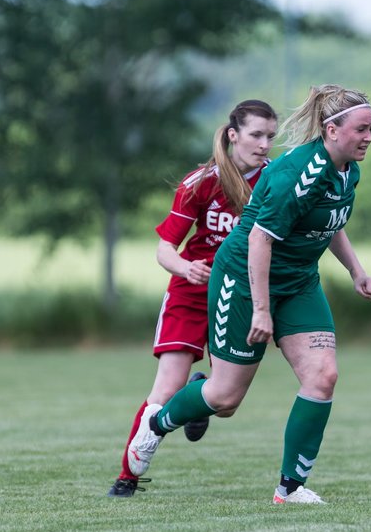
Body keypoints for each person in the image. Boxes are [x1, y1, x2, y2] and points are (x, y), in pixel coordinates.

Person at [125, 84, 371, 505]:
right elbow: (260, 240)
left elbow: (329, 224)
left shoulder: (348, 170)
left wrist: (357, 271)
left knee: (323, 376)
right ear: (332, 130)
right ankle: (156, 424)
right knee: (224, 397)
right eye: (362, 129)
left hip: (298, 281)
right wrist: (262, 310)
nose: (369, 137)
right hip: (243, 279)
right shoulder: (298, 173)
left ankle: (289, 488)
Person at [107, 99, 279, 498]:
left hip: (237, 294)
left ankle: (199, 390)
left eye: (270, 136)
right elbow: (165, 248)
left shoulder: (274, 180)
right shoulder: (201, 181)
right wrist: (186, 269)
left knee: (226, 404)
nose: (264, 144)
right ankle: (128, 477)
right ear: (233, 134)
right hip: (190, 291)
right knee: (166, 388)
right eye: (256, 134)